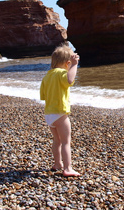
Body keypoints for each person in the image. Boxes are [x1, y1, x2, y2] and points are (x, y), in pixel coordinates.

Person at [40, 44, 81, 177]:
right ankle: (68, 168)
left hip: (49, 114)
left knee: (57, 140)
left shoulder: (47, 76)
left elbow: (43, 96)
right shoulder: (62, 73)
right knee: (65, 142)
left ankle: (57, 163)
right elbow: (69, 80)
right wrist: (75, 65)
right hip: (60, 113)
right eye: (70, 64)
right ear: (67, 63)